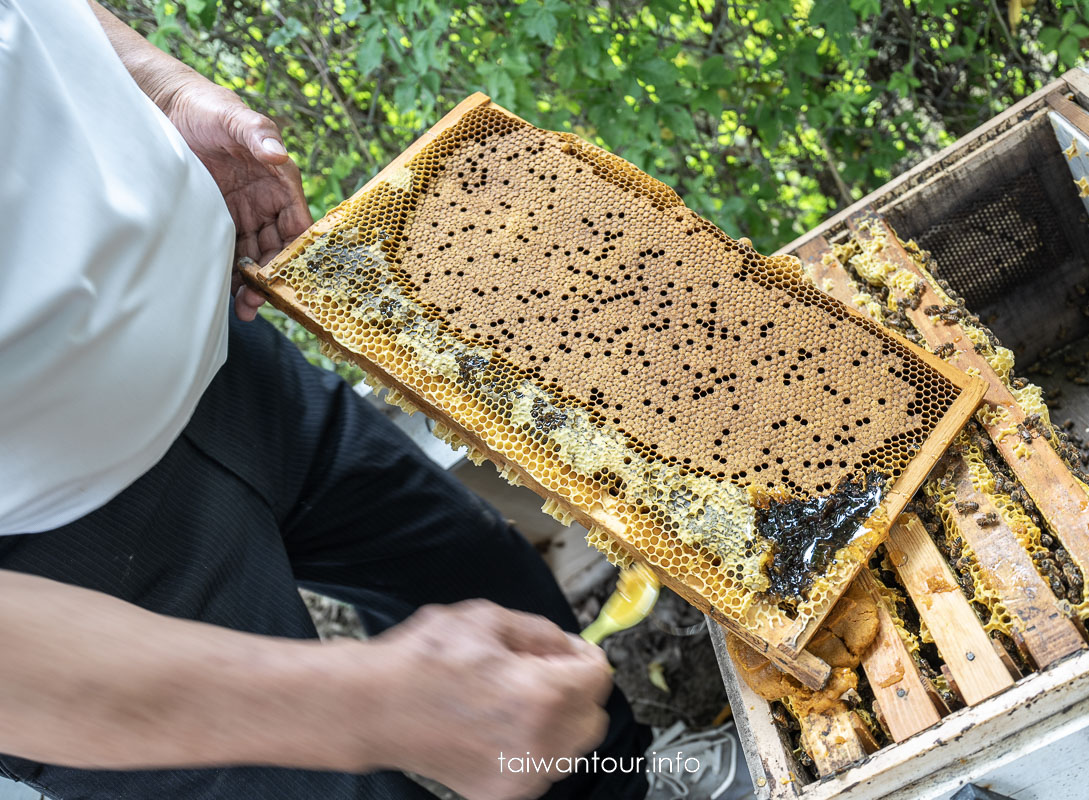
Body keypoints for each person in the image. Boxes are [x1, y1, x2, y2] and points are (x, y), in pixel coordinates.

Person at [0, 1, 651, 798]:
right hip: (53, 570)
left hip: (229, 361)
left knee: (501, 596)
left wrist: (157, 86)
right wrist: (368, 705)